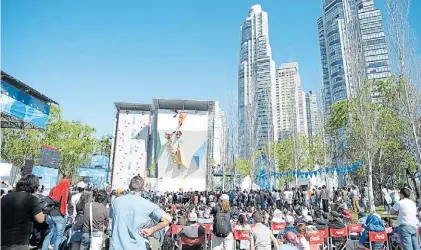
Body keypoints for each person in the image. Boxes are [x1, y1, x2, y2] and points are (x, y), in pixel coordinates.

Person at [110, 176, 172, 250]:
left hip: (117, 247)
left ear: (129, 186)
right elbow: (168, 219)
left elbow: (110, 219)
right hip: (137, 247)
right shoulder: (147, 204)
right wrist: (151, 230)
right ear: (142, 188)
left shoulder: (116, 202)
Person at [1, 175, 45, 250]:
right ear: (33, 186)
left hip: (4, 240)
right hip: (20, 241)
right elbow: (40, 219)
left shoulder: (5, 197)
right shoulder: (31, 199)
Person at [42, 178, 73, 250]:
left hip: (50, 214)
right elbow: (69, 204)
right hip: (60, 215)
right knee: (59, 235)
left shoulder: (53, 189)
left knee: (49, 234)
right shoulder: (67, 192)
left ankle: (44, 248)